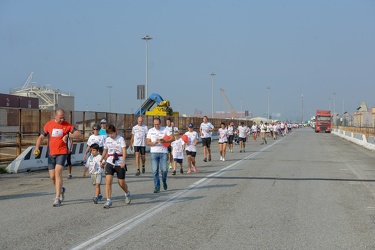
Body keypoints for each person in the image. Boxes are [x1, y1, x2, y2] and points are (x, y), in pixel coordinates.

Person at [34, 109, 82, 207]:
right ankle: (61, 189)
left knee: (58, 172)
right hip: (51, 153)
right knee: (52, 176)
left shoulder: (67, 125)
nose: (62, 119)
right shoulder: (49, 124)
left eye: (63, 117)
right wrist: (37, 147)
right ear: (55, 116)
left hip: (62, 152)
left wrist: (69, 135)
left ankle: (57, 197)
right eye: (60, 117)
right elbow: (41, 137)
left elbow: (79, 135)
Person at [100, 124, 131, 209]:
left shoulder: (120, 139)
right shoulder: (107, 140)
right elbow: (105, 150)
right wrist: (102, 160)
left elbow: (124, 150)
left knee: (121, 183)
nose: (111, 135)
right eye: (109, 134)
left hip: (119, 162)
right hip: (110, 162)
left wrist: (123, 161)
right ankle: (108, 200)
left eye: (112, 133)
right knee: (108, 181)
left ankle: (127, 193)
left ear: (115, 132)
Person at [146, 117, 174, 193]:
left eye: (158, 124)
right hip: (154, 153)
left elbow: (173, 138)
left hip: (163, 152)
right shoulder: (150, 131)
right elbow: (147, 142)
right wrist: (153, 143)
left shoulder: (165, 130)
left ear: (160, 123)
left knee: (164, 170)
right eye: (155, 124)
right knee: (155, 171)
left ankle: (164, 181)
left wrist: (165, 140)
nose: (156, 126)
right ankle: (157, 186)